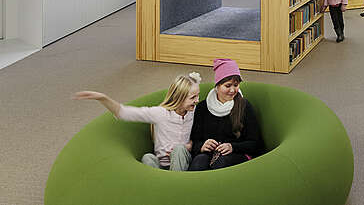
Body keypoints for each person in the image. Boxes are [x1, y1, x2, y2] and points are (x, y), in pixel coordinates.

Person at [73, 72, 202, 170]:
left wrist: (189, 145)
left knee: (179, 149)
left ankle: (175, 186)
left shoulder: (193, 110)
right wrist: (103, 98)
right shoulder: (161, 113)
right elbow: (123, 112)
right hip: (161, 164)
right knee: (147, 158)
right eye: (193, 97)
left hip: (182, 163)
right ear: (179, 98)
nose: (197, 100)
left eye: (198, 96)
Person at [188, 58, 262, 171]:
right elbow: (194, 140)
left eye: (236, 85)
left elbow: (255, 143)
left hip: (237, 154)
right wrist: (202, 145)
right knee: (199, 162)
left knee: (221, 163)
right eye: (227, 86)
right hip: (210, 154)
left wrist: (232, 147)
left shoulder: (244, 106)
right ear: (217, 86)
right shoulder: (203, 107)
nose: (232, 90)